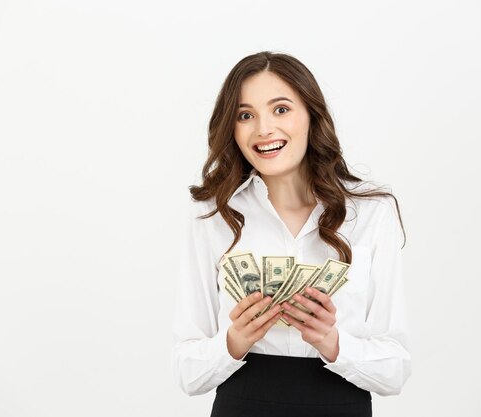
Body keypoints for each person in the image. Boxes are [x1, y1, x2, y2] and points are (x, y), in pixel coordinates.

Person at [171, 51, 412, 417]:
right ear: (232, 128)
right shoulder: (212, 216)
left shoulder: (371, 213)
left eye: (281, 109)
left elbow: (395, 371)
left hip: (340, 406)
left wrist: (332, 342)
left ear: (312, 117)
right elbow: (187, 371)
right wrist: (234, 341)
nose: (264, 128)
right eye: (245, 115)